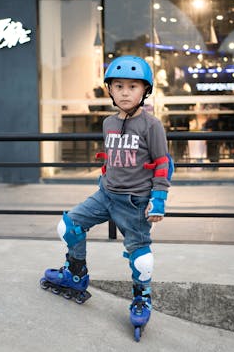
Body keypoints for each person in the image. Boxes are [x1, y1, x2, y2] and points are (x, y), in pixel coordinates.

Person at [40, 55, 173, 341]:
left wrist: (158, 199)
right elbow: (114, 158)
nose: (125, 92)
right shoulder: (108, 123)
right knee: (68, 226)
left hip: (134, 202)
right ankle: (76, 272)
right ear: (110, 90)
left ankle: (142, 297)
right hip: (105, 194)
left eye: (133, 87)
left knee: (142, 260)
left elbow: (163, 163)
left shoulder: (152, 126)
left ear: (145, 91)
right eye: (119, 86)